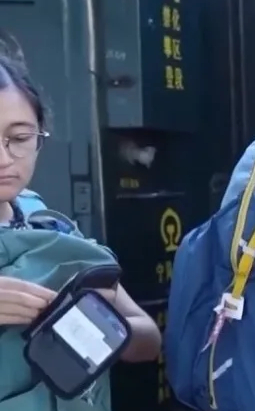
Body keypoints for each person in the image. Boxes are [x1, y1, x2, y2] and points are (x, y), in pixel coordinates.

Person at [0, 34, 161, 353]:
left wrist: (92, 316)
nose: (4, 160)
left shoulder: (45, 223)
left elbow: (148, 341)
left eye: (19, 138)